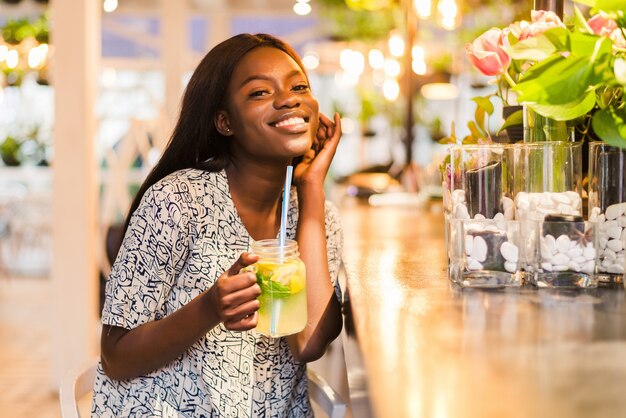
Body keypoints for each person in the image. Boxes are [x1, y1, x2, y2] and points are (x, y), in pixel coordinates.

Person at [90, 33, 344, 417]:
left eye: (299, 86)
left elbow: (308, 343)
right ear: (225, 122)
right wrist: (210, 307)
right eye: (259, 92)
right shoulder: (177, 200)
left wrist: (311, 190)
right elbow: (115, 357)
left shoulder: (317, 216)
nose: (289, 98)